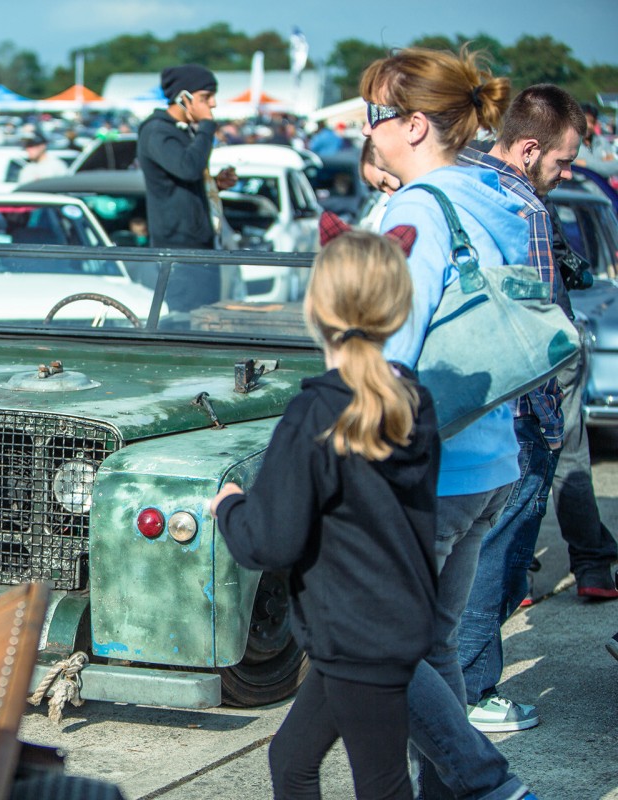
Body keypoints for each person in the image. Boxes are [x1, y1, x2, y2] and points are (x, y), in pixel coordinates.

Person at [213, 226, 438, 800]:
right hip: (386, 621)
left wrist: (230, 507)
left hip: (354, 632)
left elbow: (271, 542)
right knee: (290, 759)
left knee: (382, 784)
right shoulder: (411, 398)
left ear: (316, 308)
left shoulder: (317, 412)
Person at [361, 46, 532, 800]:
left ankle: (484, 783)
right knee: (435, 645)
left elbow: (390, 353)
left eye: (375, 114)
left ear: (416, 125)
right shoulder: (495, 195)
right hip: (492, 452)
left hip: (430, 466)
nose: (366, 129)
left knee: (372, 644)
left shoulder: (416, 209)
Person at [453, 83, 585, 733]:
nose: (563, 174)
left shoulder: (448, 181)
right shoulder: (524, 208)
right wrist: (550, 426)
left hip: (454, 408)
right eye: (561, 161)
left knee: (458, 555)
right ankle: (473, 688)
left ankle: (452, 681)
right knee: (495, 556)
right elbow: (537, 333)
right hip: (515, 415)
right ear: (529, 148)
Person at [546, 196, 618, 599]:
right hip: (555, 334)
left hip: (512, 343)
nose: (565, 172)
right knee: (569, 453)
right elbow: (568, 262)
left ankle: (516, 570)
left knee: (515, 456)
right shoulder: (531, 195)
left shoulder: (464, 181)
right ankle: (592, 564)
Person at [137, 63, 219, 311]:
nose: (213, 104)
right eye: (205, 97)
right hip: (178, 252)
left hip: (197, 246)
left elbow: (182, 180)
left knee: (208, 320)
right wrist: (206, 127)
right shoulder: (157, 132)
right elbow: (187, 167)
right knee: (186, 324)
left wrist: (214, 186)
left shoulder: (180, 131)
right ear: (184, 98)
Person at [575, 102, 617, 176]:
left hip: (601, 187)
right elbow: (575, 172)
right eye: (584, 121)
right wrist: (602, 162)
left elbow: (615, 167)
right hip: (578, 187)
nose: (588, 125)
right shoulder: (571, 143)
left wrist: (586, 164)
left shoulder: (602, 142)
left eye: (592, 122)